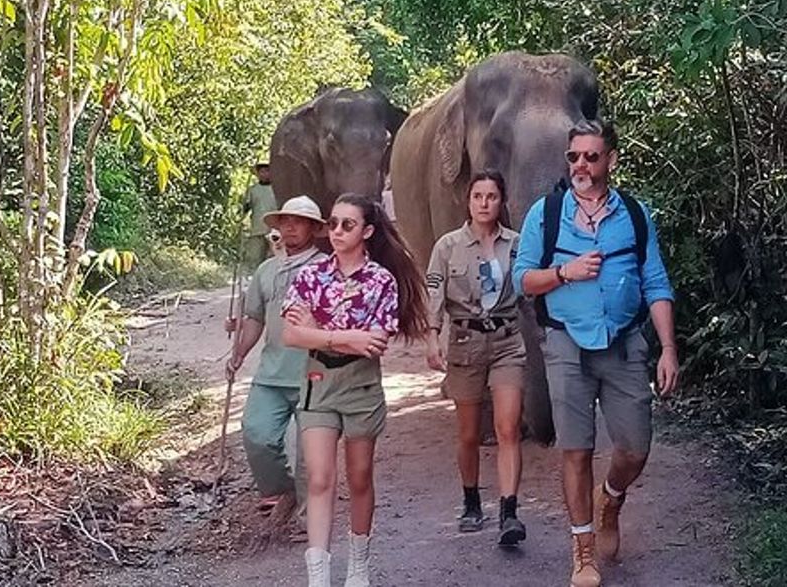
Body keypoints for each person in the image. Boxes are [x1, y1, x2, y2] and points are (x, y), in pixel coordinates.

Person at [512, 119, 680, 587]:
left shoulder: (635, 213)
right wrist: (564, 273)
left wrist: (668, 348)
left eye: (590, 156)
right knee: (576, 450)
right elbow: (522, 280)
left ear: (611, 160)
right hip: (566, 341)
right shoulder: (545, 215)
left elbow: (656, 284)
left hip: (625, 341)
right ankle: (582, 552)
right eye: (573, 157)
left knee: (635, 446)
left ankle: (612, 497)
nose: (581, 165)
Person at [281, 194, 430, 587]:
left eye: (348, 225)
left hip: (361, 384)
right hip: (318, 382)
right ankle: (318, 577)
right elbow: (291, 334)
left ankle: (358, 567)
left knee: (360, 476)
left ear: (367, 232)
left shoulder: (381, 280)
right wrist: (344, 336)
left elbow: (375, 344)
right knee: (319, 477)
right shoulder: (311, 275)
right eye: (332, 223)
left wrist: (319, 330)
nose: (337, 232)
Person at [425, 170, 527, 546]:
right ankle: (471, 501)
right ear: (468, 202)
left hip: (507, 341)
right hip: (465, 343)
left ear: (502, 201)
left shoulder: (516, 244)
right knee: (469, 433)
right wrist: (432, 336)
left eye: (492, 196)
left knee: (507, 428)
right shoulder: (447, 246)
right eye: (478, 196)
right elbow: (433, 289)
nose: (485, 203)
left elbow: (532, 284)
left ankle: (509, 511)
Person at [226, 196, 328, 517]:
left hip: (314, 374)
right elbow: (255, 317)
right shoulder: (266, 270)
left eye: (298, 221)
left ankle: (308, 519)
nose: (290, 227)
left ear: (313, 228)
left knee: (310, 454)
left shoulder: (326, 269)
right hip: (271, 373)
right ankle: (279, 492)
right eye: (285, 221)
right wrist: (239, 353)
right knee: (257, 433)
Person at [241, 162, 279, 269]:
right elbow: (246, 207)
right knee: (256, 258)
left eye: (267, 171)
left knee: (274, 257)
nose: (264, 174)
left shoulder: (277, 189)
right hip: (257, 229)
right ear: (258, 174)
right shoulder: (253, 190)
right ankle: (256, 279)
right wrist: (243, 210)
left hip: (274, 229)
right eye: (262, 171)